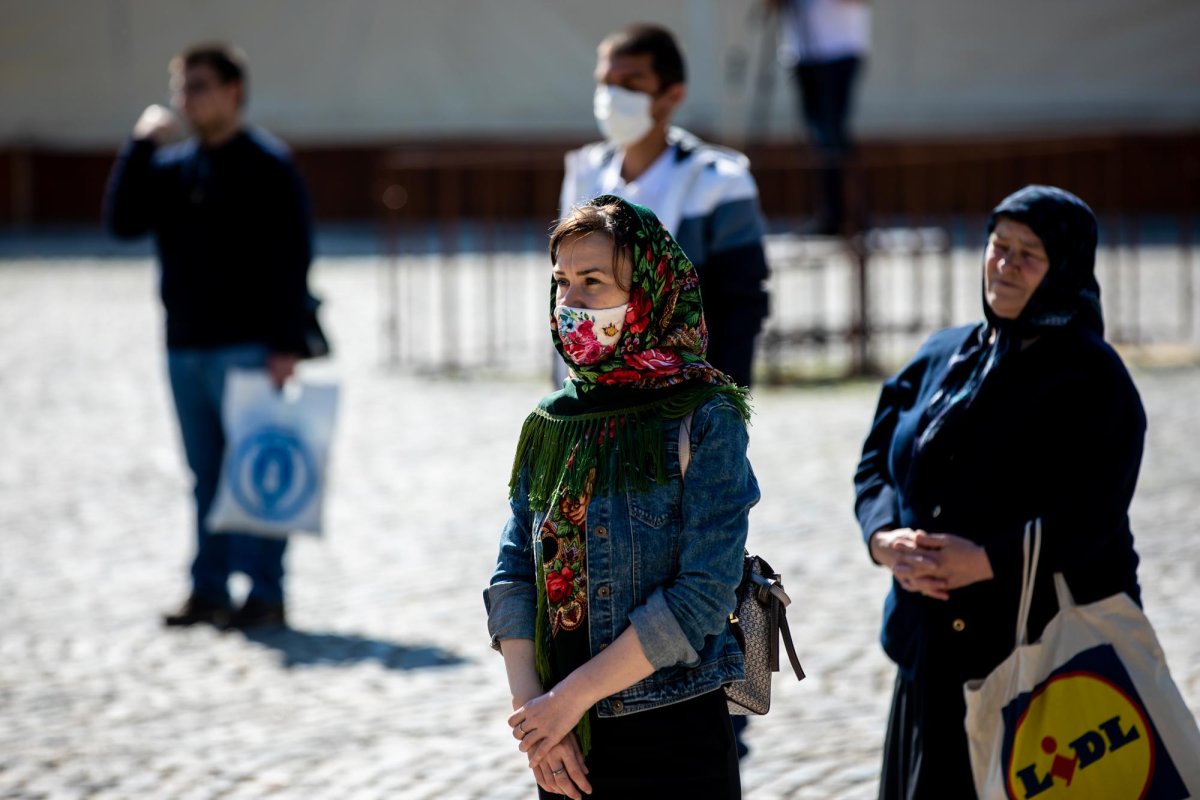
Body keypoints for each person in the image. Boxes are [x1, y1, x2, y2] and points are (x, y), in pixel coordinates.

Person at [853, 185, 1145, 798]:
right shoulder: (944, 354)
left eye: (1029, 254)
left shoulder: (1093, 378)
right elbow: (877, 460)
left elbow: (1093, 513)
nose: (1005, 265)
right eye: (998, 245)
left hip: (1036, 661)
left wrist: (984, 560)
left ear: (1064, 266)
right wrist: (885, 540)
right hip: (931, 656)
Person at [486, 196, 759, 798]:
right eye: (561, 282)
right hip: (565, 746)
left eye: (593, 282)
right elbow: (513, 572)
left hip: (672, 735)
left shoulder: (704, 417)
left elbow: (703, 596)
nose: (570, 303)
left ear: (646, 295)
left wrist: (567, 699)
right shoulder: (554, 419)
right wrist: (537, 717)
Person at [105, 43, 315, 630]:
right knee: (205, 476)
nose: (185, 99)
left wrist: (284, 345)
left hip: (249, 347)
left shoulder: (269, 164)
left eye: (197, 86)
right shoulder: (172, 166)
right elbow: (121, 223)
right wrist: (141, 144)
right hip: (184, 346)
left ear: (233, 92)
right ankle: (209, 588)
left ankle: (266, 593)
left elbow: (292, 260)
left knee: (259, 470)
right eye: (180, 87)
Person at [559, 24, 770, 389]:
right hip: (596, 395)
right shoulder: (586, 175)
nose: (612, 96)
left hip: (684, 397)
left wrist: (719, 404)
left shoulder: (719, 181)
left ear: (671, 95)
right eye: (606, 82)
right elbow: (564, 294)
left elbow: (741, 306)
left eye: (631, 84)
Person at [769, 0, 870, 236]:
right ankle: (828, 213)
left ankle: (851, 213)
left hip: (839, 49)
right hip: (802, 54)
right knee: (817, 137)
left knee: (832, 133)